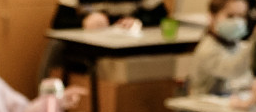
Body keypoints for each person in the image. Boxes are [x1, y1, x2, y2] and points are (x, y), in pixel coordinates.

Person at [38, 0, 169, 82]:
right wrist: (83, 23)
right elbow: (58, 22)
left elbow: (161, 15)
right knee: (56, 46)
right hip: (89, 41)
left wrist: (139, 21)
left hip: (127, 42)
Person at [189, 0, 253, 96]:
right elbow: (232, 70)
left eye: (242, 16)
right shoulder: (207, 49)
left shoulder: (241, 46)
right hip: (204, 107)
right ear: (212, 17)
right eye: (230, 16)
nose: (237, 22)